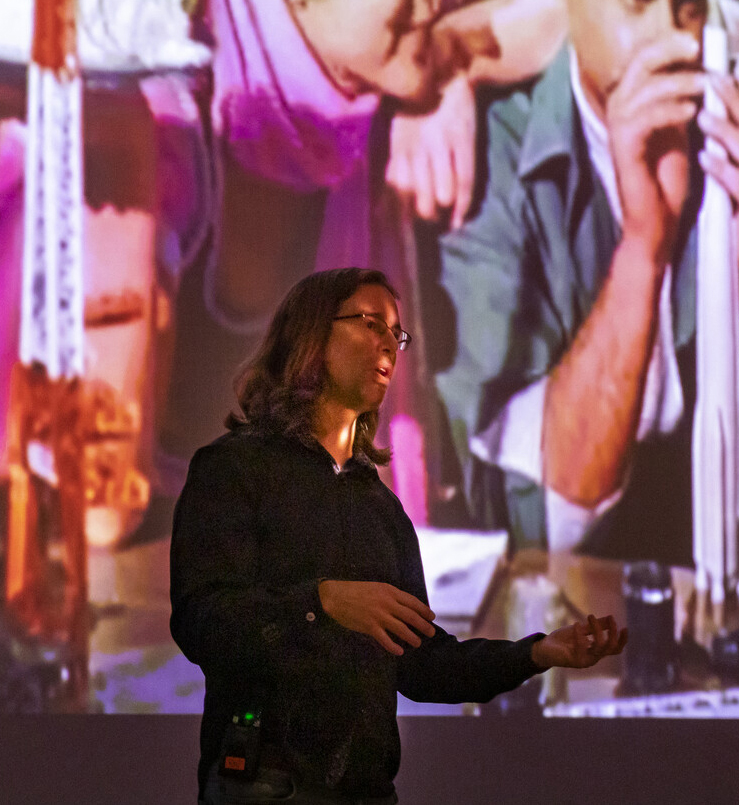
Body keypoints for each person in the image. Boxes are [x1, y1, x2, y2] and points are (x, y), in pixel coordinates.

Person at [424, 0, 739, 565]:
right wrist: (643, 249)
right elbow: (523, 523)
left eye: (690, 3)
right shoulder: (493, 155)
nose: (672, 40)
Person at [169, 267, 626, 804]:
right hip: (263, 787)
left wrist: (537, 653)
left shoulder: (381, 510)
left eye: (397, 333)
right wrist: (322, 604)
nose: (390, 342)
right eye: (370, 323)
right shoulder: (233, 469)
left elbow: (423, 665)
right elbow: (202, 622)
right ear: (312, 335)